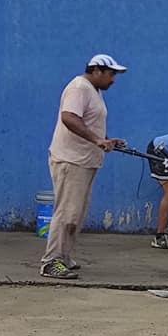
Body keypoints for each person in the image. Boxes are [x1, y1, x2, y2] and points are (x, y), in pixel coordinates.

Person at [40, 54, 127, 279]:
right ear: (96, 71)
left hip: (85, 161)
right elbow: (69, 117)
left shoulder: (93, 91)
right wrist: (96, 140)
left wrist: (106, 139)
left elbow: (88, 122)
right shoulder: (79, 87)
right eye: (111, 74)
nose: (113, 80)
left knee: (76, 214)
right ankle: (51, 262)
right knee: (66, 213)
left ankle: (64, 257)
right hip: (71, 160)